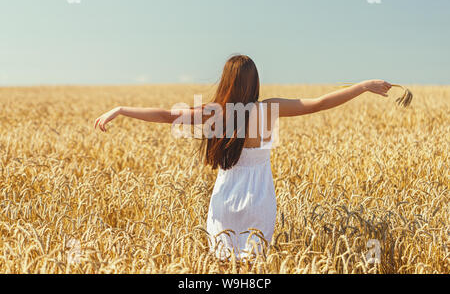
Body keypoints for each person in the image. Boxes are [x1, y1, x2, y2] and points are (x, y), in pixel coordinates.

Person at [94, 54, 392, 260]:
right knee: (254, 268)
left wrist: (120, 109)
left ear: (227, 81)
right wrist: (364, 86)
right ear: (254, 82)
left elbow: (165, 115)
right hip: (260, 199)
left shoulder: (217, 112)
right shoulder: (268, 108)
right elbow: (318, 104)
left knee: (222, 265)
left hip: (225, 199)